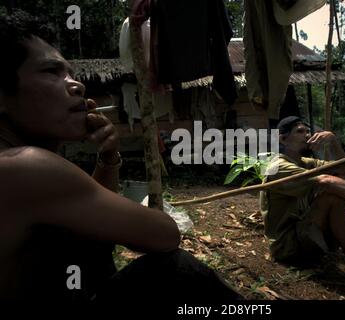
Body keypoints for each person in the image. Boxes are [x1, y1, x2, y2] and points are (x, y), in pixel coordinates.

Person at [0, 12, 242, 304]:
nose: (76, 85)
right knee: (174, 271)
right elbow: (165, 234)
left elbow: (92, 231)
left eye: (72, 74)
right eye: (51, 72)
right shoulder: (25, 167)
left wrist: (109, 156)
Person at [260, 116, 345, 284]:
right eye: (300, 131)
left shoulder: (305, 162)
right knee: (332, 195)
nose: (307, 135)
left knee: (339, 185)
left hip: (305, 235)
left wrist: (333, 142)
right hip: (287, 246)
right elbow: (327, 181)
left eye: (308, 131)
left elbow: (344, 169)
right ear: (283, 139)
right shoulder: (278, 166)